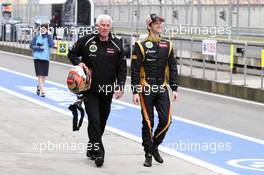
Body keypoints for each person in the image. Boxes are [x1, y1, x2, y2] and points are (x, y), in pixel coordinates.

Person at [68, 14, 127, 167]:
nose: (105, 28)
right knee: (94, 119)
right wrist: (79, 63)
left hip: (107, 90)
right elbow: (72, 52)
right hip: (90, 89)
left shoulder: (117, 43)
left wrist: (120, 86)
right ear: (97, 26)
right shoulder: (87, 40)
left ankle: (91, 147)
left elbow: (122, 69)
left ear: (110, 27)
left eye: (108, 25)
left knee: (102, 121)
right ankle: (99, 154)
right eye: (102, 25)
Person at [131, 13, 179, 167]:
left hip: (163, 88)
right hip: (146, 88)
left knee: (167, 121)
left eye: (160, 23)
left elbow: (172, 67)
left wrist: (175, 87)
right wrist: (135, 90)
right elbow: (135, 70)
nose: (159, 25)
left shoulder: (168, 45)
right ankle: (148, 154)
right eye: (156, 23)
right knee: (148, 122)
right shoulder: (140, 45)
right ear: (149, 26)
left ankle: (154, 146)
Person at [30, 23, 54, 97]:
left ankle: (39, 86)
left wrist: (49, 36)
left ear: (47, 29)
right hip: (37, 57)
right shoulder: (37, 36)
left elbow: (51, 45)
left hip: (46, 58)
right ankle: (42, 91)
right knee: (40, 75)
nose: (43, 30)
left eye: (44, 28)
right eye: (41, 28)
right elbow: (31, 46)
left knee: (44, 75)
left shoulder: (48, 37)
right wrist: (39, 47)